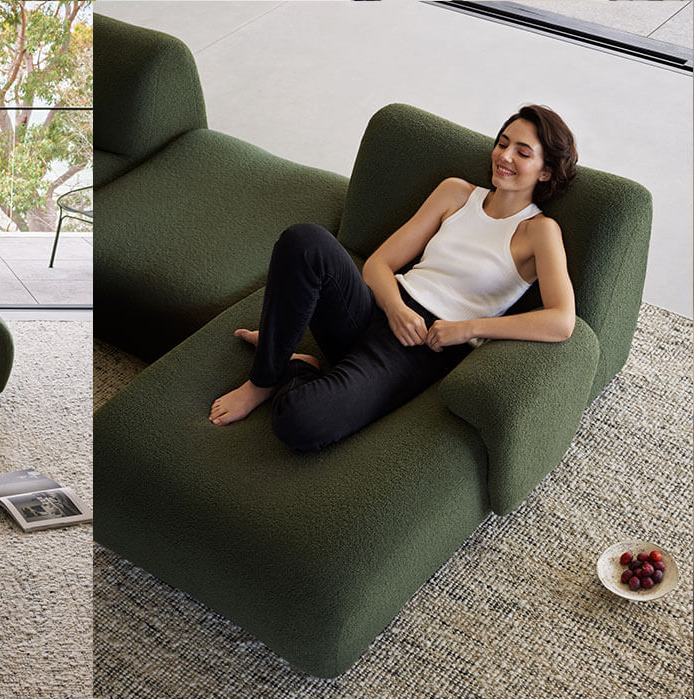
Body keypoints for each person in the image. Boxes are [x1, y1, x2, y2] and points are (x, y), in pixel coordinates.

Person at [209, 104, 578, 452]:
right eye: (502, 143)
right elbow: (378, 265)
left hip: (424, 347)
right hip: (383, 305)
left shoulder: (539, 232)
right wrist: (396, 308)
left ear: (545, 171)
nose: (505, 156)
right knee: (305, 241)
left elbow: (560, 320)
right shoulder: (456, 193)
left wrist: (467, 329)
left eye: (523, 152)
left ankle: (295, 364)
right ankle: (263, 378)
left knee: (298, 422)